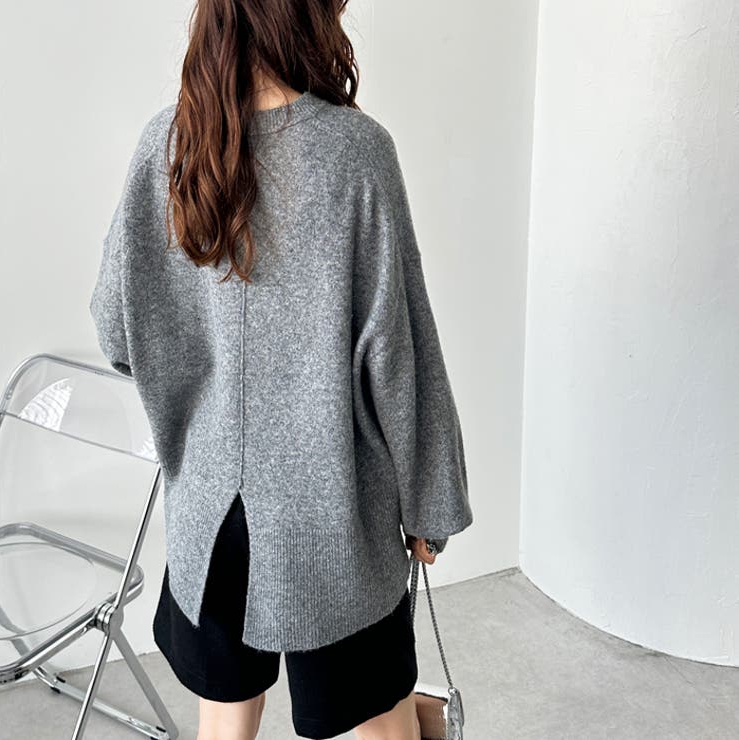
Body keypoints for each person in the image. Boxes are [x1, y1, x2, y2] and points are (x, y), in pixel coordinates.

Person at [89, 1, 473, 738]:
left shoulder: (169, 144)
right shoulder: (355, 153)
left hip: (211, 516)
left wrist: (198, 394)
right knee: (380, 721)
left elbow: (116, 326)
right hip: (335, 516)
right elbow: (402, 356)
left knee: (226, 719)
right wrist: (431, 505)